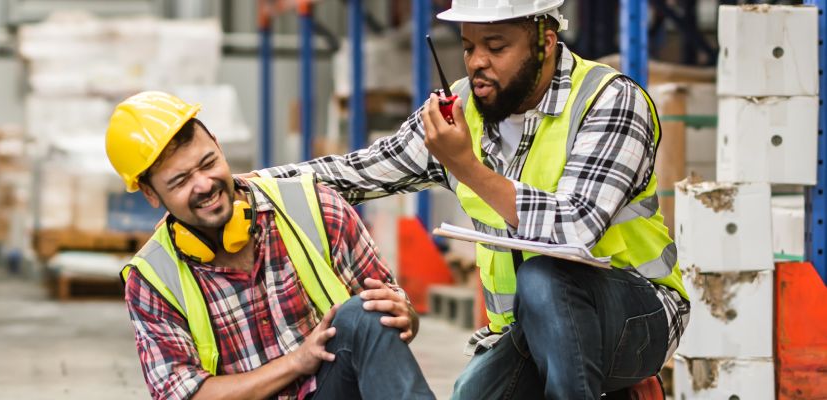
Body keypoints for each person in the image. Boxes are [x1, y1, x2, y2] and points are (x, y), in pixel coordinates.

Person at [254, 1, 690, 398]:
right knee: (472, 392)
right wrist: (249, 183)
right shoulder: (462, 108)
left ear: (545, 43)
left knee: (545, 278)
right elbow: (359, 171)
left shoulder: (609, 100)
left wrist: (466, 167)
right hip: (524, 331)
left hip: (637, 318)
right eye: (468, 46)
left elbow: (573, 227)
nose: (477, 62)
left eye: (496, 47)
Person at [105, 91, 436, 400]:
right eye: (180, 181)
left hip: (329, 389)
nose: (204, 185)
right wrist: (296, 362)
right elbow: (184, 393)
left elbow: (394, 319)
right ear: (150, 194)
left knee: (364, 312)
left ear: (219, 146)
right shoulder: (153, 279)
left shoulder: (315, 208)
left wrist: (404, 313)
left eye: (208, 164)